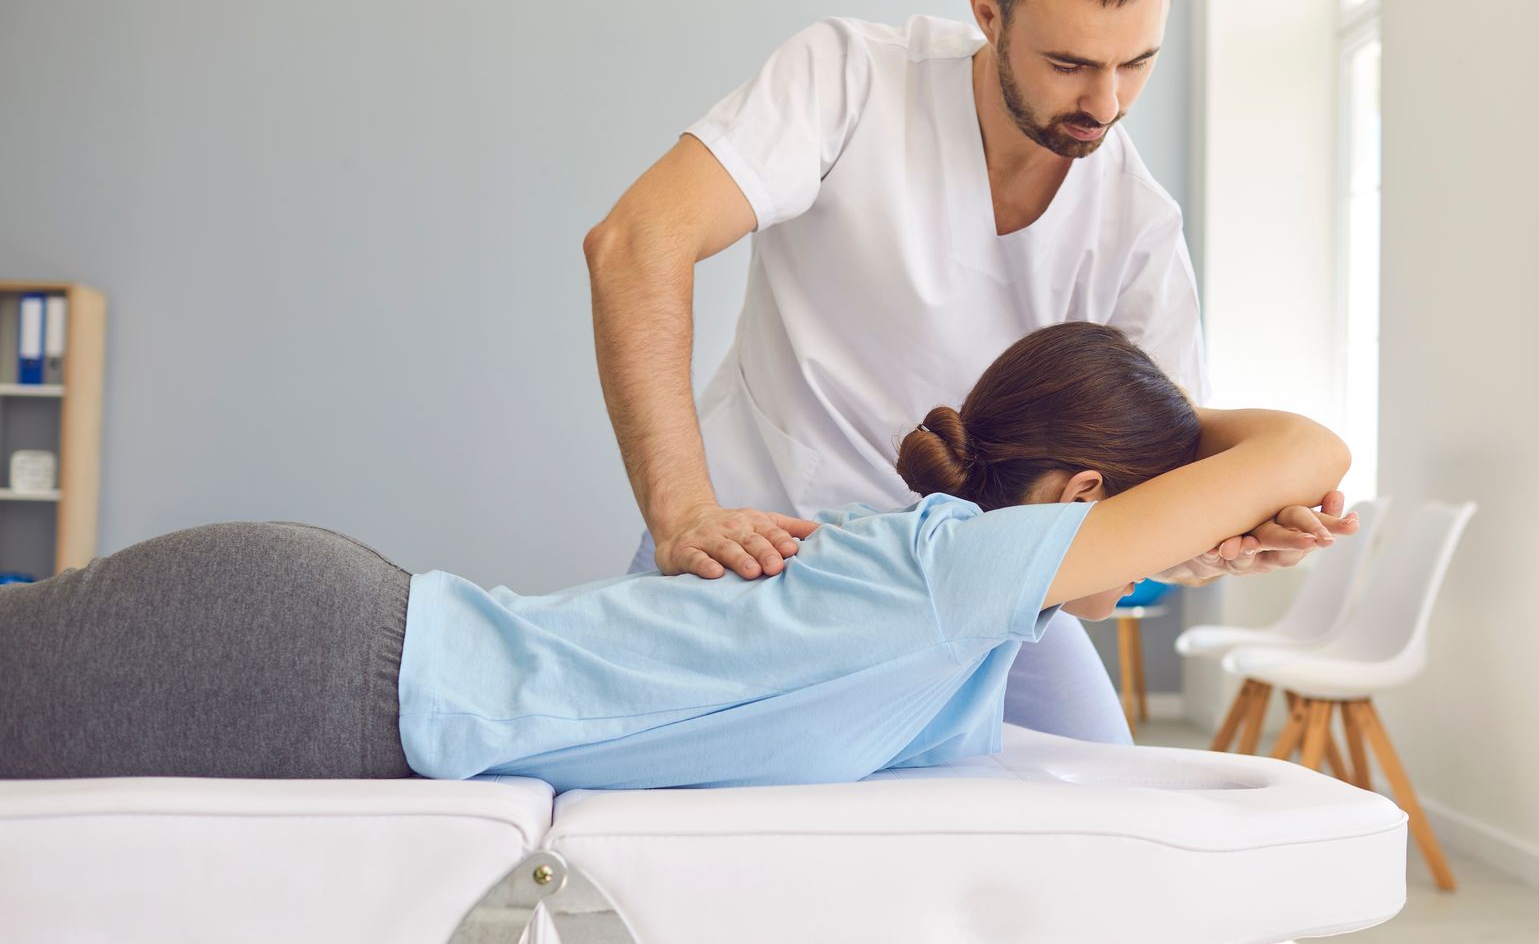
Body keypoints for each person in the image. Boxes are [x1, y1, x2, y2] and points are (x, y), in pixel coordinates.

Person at [556, 0, 1352, 944]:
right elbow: (636, 242)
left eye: (1137, 64)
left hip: (975, 594)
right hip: (753, 559)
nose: (1105, 104)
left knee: (1127, 865)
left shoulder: (1136, 227)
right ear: (986, 15)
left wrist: (1220, 531)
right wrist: (682, 511)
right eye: (1070, 65)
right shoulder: (847, 79)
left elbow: (1138, 494)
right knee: (575, 870)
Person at [0, 323, 1352, 800]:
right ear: (1076, 498)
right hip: (307, 664)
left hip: (338, 652)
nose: (1151, 569)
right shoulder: (959, 573)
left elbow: (1192, 528)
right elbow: (1306, 444)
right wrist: (1213, 486)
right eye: (1137, 523)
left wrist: (1203, 525)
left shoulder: (956, 606)